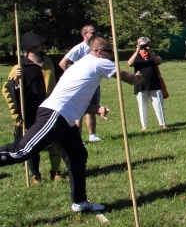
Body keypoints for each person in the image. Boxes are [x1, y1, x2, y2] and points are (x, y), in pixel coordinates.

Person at [0, 37, 144, 212]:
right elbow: (129, 79)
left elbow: (76, 98)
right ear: (99, 52)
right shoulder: (99, 62)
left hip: (64, 118)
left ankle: (80, 202)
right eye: (110, 52)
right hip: (55, 114)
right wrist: (140, 76)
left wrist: (96, 109)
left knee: (77, 155)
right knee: (22, 150)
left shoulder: (81, 65)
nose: (112, 56)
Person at [2, 32, 65, 184]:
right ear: (31, 48)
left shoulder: (49, 63)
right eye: (41, 45)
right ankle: (35, 175)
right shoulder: (20, 66)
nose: (44, 47)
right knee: (31, 145)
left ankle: (55, 172)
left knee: (55, 142)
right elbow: (7, 90)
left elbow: (63, 79)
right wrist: (16, 81)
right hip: (30, 111)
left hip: (50, 108)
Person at [59, 25, 102, 142]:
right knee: (80, 112)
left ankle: (92, 135)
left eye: (96, 32)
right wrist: (71, 76)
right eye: (93, 33)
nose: (95, 34)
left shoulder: (96, 48)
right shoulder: (79, 48)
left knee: (93, 109)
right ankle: (77, 139)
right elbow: (63, 63)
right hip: (81, 86)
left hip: (94, 84)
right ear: (85, 34)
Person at [127, 37, 169, 131]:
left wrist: (150, 52)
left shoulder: (152, 55)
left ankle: (163, 124)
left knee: (159, 104)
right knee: (142, 106)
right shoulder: (136, 56)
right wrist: (137, 51)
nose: (143, 48)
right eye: (141, 45)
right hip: (140, 84)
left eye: (145, 45)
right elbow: (130, 63)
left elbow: (159, 61)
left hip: (154, 83)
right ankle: (144, 126)